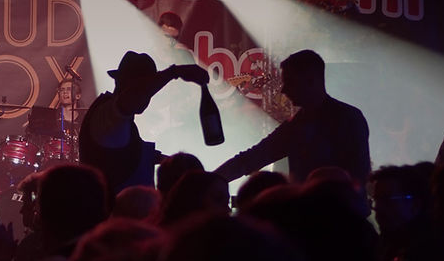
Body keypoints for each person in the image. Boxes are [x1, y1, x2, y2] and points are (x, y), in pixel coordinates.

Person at [214, 49, 371, 186]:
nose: (284, 90)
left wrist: (210, 181)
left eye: (290, 82)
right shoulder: (343, 117)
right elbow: (252, 158)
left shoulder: (303, 124)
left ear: (311, 81)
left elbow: (252, 158)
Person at [79, 50, 209, 196]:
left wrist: (175, 165)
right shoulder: (107, 116)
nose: (148, 97)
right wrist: (174, 72)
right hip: (115, 209)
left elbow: (127, 158)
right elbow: (131, 99)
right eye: (147, 89)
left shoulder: (118, 123)